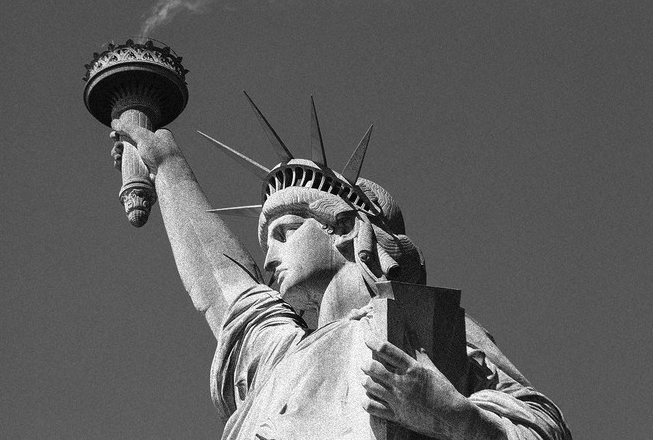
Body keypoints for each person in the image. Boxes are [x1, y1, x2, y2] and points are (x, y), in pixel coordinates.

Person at [111, 112, 571, 440]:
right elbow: (226, 288)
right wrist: (166, 166)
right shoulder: (281, 359)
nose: (267, 258)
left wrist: (449, 415)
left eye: (284, 232)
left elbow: (542, 426)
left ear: (345, 229)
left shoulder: (424, 329)